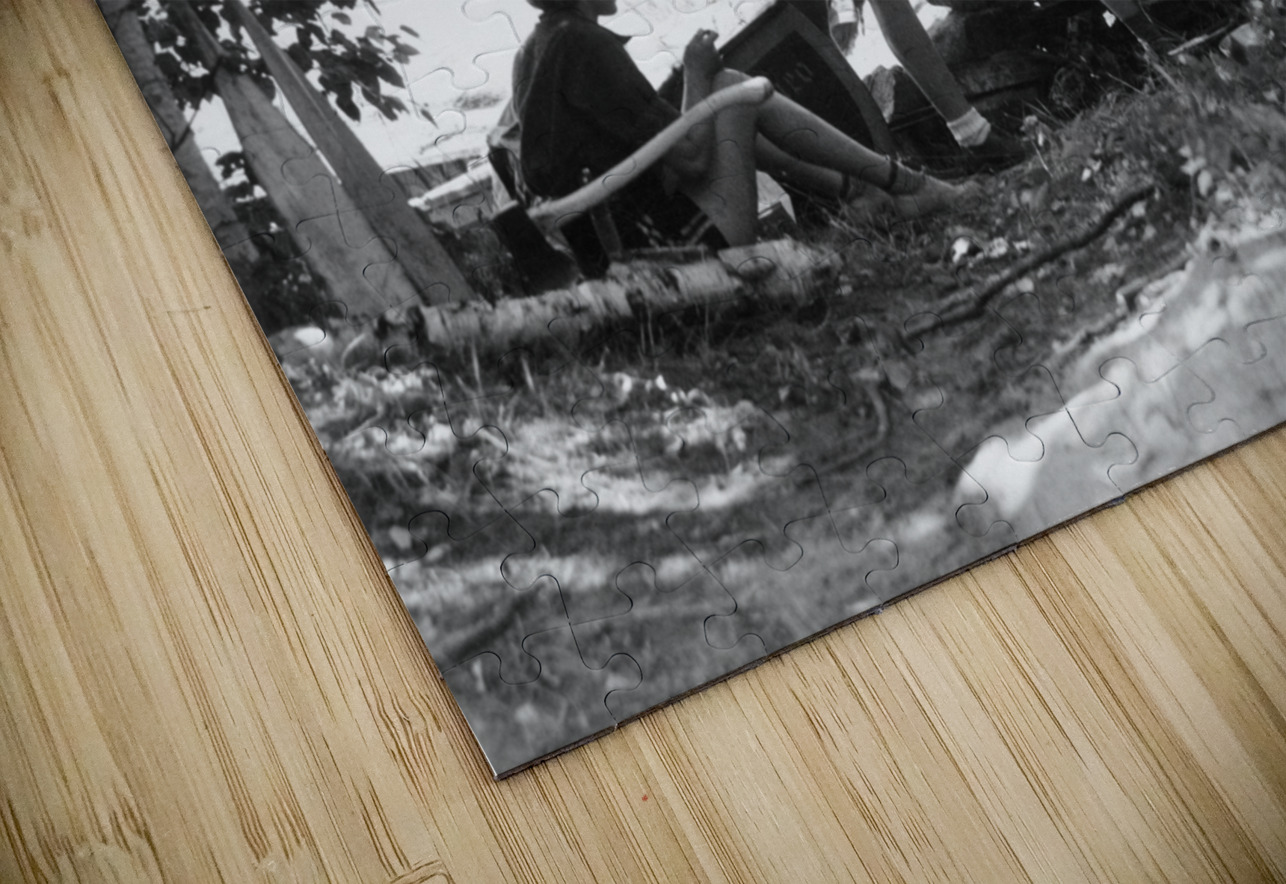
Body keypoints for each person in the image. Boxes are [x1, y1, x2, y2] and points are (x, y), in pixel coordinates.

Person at [513, 0, 977, 257]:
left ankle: (863, 193)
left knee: (726, 100)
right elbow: (692, 159)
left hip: (617, 249)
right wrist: (694, 75)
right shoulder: (587, 45)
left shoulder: (533, 51)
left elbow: (636, 156)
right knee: (731, 89)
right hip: (676, 255)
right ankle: (910, 185)